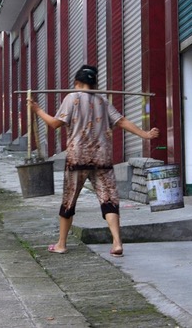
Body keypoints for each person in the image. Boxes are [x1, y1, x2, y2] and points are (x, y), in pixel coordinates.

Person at [28, 65, 160, 257]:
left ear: (77, 83)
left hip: (77, 159)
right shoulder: (102, 100)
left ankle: (61, 244)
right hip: (102, 159)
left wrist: (37, 109)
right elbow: (121, 121)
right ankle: (116, 242)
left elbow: (55, 123)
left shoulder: (71, 98)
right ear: (94, 83)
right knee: (109, 200)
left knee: (69, 201)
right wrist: (145, 135)